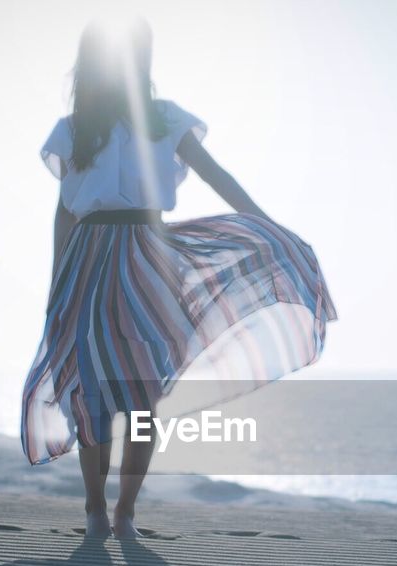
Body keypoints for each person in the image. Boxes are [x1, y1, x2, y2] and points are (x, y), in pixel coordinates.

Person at [21, 15, 337, 539]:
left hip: (150, 256)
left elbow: (218, 176)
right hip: (89, 261)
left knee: (143, 395)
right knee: (93, 390)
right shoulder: (74, 129)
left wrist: (266, 225)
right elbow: (64, 212)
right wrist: (57, 284)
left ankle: (126, 511)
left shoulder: (166, 119)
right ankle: (95, 508)